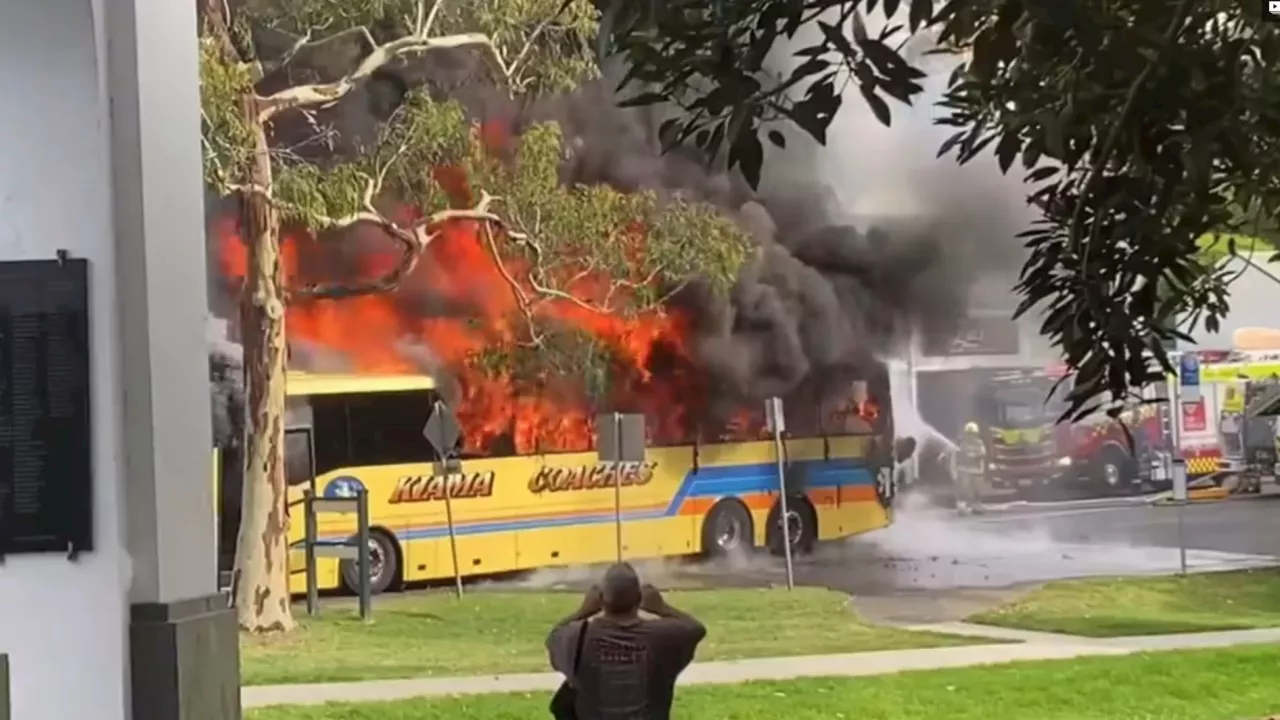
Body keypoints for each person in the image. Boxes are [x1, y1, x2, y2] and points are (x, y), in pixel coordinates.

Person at [546, 562, 707, 720]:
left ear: (600, 599)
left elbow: (553, 638)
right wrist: (662, 607)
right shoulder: (662, 637)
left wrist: (583, 611)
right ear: (639, 599)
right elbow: (696, 629)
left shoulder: (578, 637)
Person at [954, 421, 987, 515]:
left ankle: (977, 506)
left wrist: (974, 456)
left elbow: (983, 454)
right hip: (965, 470)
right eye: (969, 434)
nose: (971, 436)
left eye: (972, 434)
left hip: (976, 470)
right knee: (965, 489)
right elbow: (957, 453)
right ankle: (964, 506)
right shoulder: (962, 443)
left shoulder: (979, 443)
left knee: (977, 489)